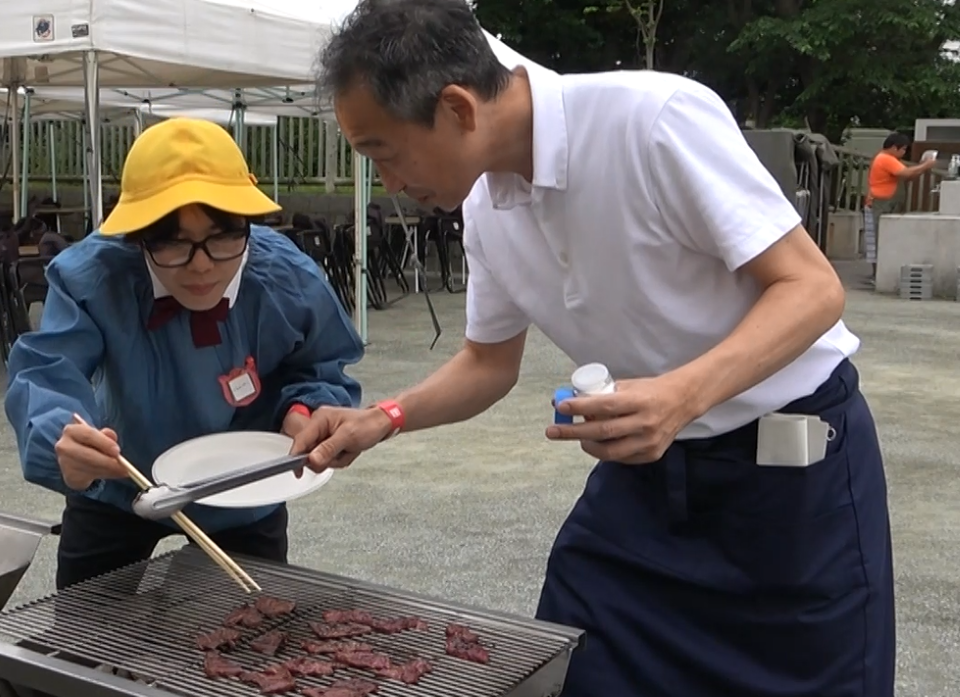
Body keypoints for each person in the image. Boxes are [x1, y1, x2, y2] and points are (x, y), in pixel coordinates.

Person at [288, 1, 897, 696]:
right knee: (576, 664)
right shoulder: (486, 207)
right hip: (645, 478)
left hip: (792, 483)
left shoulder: (654, 119)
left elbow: (812, 288)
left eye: (382, 153)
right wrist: (384, 417)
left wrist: (680, 394)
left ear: (457, 108)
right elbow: (488, 362)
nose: (388, 183)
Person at [4, 117, 364, 590]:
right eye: (171, 239)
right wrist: (62, 439)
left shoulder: (289, 280)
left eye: (223, 235)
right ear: (137, 237)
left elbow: (320, 364)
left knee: (248, 631)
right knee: (83, 628)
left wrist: (304, 410)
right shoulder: (93, 276)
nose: (201, 264)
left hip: (245, 489)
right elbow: (50, 369)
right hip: (119, 480)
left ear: (248, 225)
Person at [863, 132, 936, 280]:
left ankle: (878, 273)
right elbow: (906, 173)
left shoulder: (887, 158)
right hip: (881, 202)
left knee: (880, 238)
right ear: (894, 148)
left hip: (884, 202)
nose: (904, 152)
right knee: (879, 238)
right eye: (903, 149)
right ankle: (878, 274)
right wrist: (925, 165)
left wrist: (922, 168)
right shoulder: (886, 159)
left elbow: (908, 174)